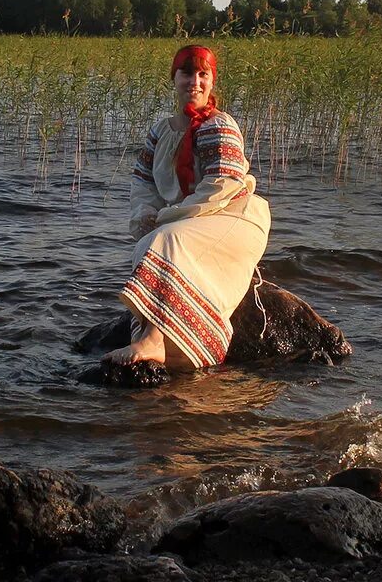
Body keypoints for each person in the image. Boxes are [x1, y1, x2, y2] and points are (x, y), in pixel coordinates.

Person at [104, 44, 270, 370]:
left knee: (166, 240)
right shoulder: (160, 131)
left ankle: (153, 340)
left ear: (211, 82)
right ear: (174, 78)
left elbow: (221, 187)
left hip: (232, 216)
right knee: (150, 242)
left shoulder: (219, 126)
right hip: (186, 219)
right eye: (187, 73)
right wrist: (146, 214)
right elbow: (143, 182)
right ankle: (164, 345)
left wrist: (165, 218)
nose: (194, 82)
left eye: (202, 74)